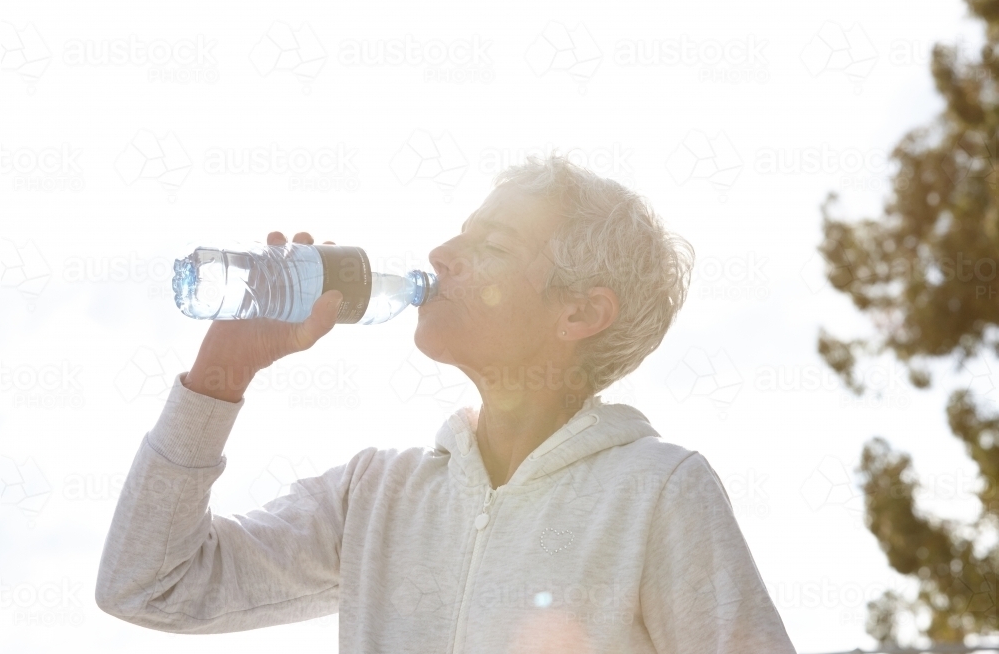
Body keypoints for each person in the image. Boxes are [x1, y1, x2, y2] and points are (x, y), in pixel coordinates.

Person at [96, 155, 796, 653]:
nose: (440, 252)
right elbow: (150, 584)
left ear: (581, 312)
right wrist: (225, 367)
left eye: (491, 243)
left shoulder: (658, 493)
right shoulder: (376, 495)